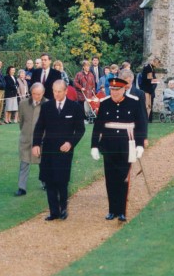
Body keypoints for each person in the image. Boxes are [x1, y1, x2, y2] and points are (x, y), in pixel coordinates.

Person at [91, 77, 146, 221]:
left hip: (126, 145)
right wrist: (94, 146)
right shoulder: (105, 103)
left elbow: (140, 124)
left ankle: (121, 211)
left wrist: (140, 144)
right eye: (112, 90)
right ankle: (112, 210)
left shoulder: (133, 102)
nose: (114, 93)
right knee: (110, 178)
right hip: (108, 146)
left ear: (124, 90)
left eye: (117, 90)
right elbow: (98, 126)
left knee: (123, 178)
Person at [32, 80, 85, 221]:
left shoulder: (75, 107)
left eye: (59, 91)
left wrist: (70, 143)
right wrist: (36, 144)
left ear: (66, 91)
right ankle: (53, 211)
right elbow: (39, 127)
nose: (56, 94)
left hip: (65, 150)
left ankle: (63, 208)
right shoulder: (46, 106)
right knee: (49, 181)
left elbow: (80, 130)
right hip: (48, 149)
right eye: (54, 91)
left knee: (62, 180)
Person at [15, 83, 47, 196]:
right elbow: (22, 121)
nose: (36, 96)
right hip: (26, 138)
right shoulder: (23, 104)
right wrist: (25, 132)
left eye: (38, 94)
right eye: (34, 94)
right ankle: (21, 187)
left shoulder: (48, 104)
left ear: (43, 93)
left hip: (42, 140)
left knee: (43, 163)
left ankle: (45, 183)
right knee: (24, 163)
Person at [140, 56, 161, 122]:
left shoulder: (151, 68)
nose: (158, 65)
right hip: (146, 88)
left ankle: (147, 119)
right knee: (147, 105)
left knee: (149, 105)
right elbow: (149, 79)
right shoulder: (148, 68)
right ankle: (144, 119)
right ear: (154, 62)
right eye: (157, 63)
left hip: (149, 89)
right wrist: (157, 80)